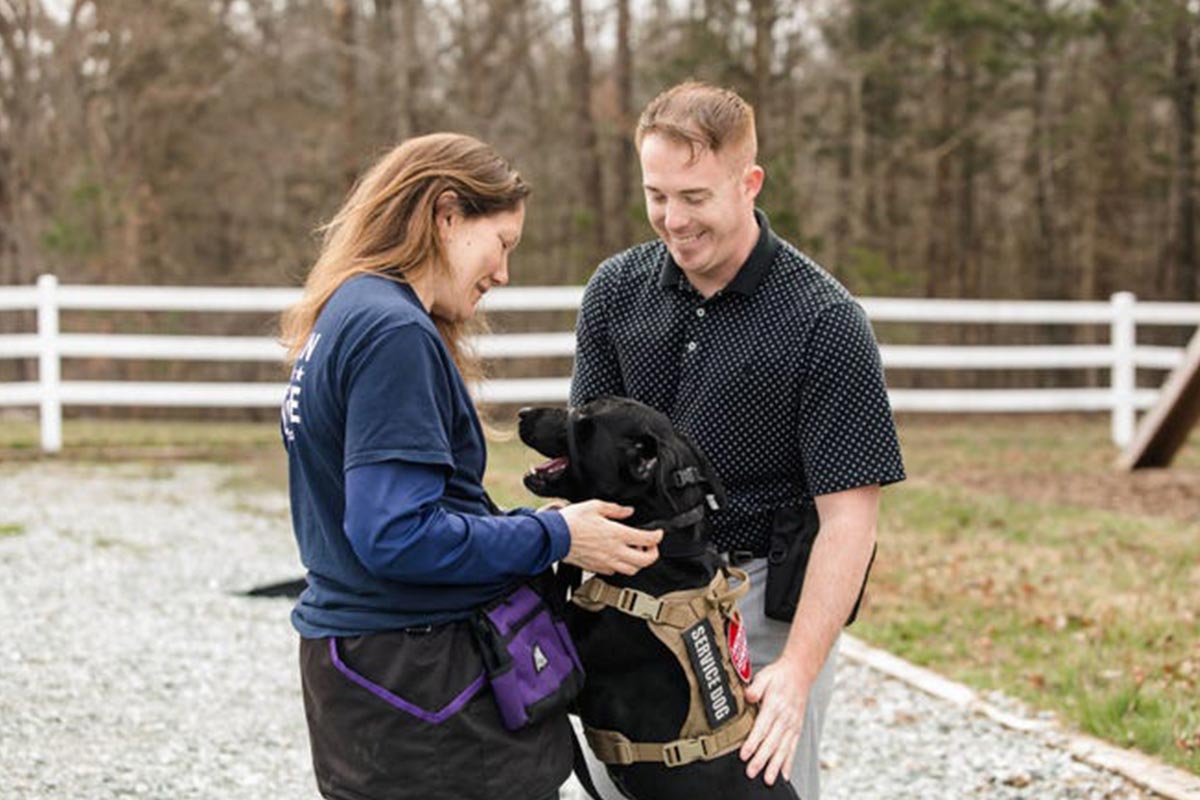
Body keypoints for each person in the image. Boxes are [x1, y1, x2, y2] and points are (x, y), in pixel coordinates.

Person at [278, 132, 663, 800]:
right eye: (503, 243)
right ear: (447, 214)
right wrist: (559, 535)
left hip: (363, 669)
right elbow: (396, 536)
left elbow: (399, 516)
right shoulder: (394, 333)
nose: (503, 273)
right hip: (419, 677)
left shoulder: (346, 312)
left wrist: (530, 526)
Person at [570, 82, 906, 800]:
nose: (672, 219)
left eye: (694, 196)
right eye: (657, 194)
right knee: (613, 778)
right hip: (631, 582)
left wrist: (798, 671)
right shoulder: (614, 292)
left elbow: (850, 519)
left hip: (756, 592)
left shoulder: (824, 321)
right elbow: (587, 462)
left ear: (749, 182)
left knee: (755, 785)